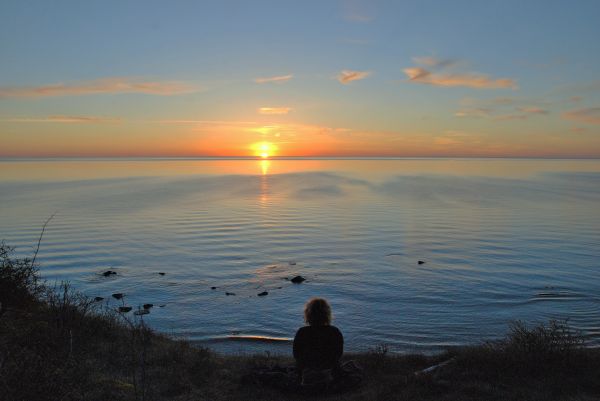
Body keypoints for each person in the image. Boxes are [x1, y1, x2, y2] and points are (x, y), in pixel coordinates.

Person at [293, 297, 343, 375]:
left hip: (306, 371)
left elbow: (296, 355)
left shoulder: (302, 332)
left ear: (308, 314)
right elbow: (339, 354)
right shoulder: (335, 331)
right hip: (330, 371)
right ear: (327, 314)